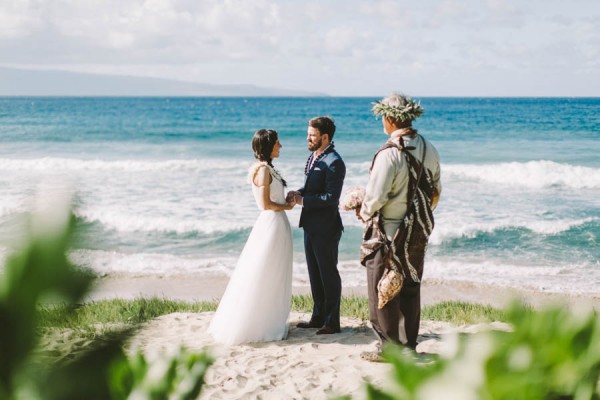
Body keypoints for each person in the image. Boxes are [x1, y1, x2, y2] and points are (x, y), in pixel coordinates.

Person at [358, 93, 441, 361]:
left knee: (382, 290)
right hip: (416, 232)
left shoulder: (389, 154)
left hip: (388, 232)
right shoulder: (430, 148)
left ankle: (388, 348)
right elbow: (435, 193)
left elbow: (376, 196)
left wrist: (364, 211)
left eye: (383, 117)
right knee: (410, 288)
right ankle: (408, 346)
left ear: (390, 118)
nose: (383, 121)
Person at [208, 129, 296, 345]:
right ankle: (261, 324)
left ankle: (270, 318)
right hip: (272, 222)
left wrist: (288, 198)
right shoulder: (263, 171)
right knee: (266, 272)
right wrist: (288, 206)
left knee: (273, 272)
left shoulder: (267, 169)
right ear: (268, 146)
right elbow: (266, 204)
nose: (280, 146)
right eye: (277, 143)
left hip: (276, 223)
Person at [287, 116, 346, 335]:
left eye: (312, 135)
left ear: (325, 137)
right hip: (310, 225)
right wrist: (298, 193)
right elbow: (311, 189)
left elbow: (331, 197)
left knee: (328, 274)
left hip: (327, 227)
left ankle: (332, 322)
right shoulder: (314, 156)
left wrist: (303, 201)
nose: (308, 138)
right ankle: (318, 317)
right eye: (308, 134)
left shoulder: (334, 162)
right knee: (314, 274)